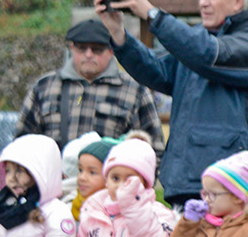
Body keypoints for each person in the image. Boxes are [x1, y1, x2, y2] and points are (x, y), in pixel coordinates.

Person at [99, 0, 248, 207]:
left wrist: (152, 14)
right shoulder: (193, 45)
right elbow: (156, 71)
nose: (203, 3)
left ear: (238, 2)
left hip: (228, 189)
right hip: (183, 183)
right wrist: (118, 32)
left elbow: (207, 53)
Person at [18, 19, 165, 157]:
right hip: (54, 182)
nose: (88, 55)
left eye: (97, 49)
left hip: (110, 182)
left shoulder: (135, 92)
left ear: (111, 50)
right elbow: (22, 143)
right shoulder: (44, 87)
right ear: (72, 48)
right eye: (82, 48)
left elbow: (153, 150)